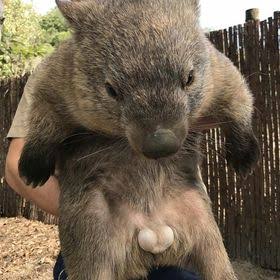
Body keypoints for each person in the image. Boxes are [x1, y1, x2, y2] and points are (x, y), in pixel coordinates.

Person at [5, 67, 216, 280]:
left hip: (181, 246)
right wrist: (94, 216)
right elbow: (16, 167)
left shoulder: (190, 56)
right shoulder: (58, 70)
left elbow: (228, 96)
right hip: (100, 245)